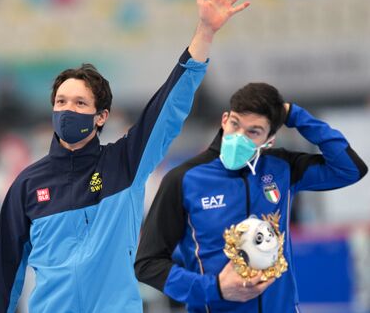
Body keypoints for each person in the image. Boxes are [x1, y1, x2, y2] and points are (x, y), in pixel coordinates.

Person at [0, 0, 251, 313]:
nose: (69, 110)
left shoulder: (125, 163)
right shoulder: (26, 185)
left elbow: (167, 109)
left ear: (101, 117)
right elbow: (6, 274)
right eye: (62, 102)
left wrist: (205, 33)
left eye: (80, 104)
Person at [135, 82, 368, 312]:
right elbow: (147, 264)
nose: (239, 136)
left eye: (253, 131)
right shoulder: (183, 179)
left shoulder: (282, 167)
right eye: (235, 124)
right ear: (224, 119)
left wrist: (294, 115)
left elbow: (350, 169)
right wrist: (214, 288)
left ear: (270, 139)